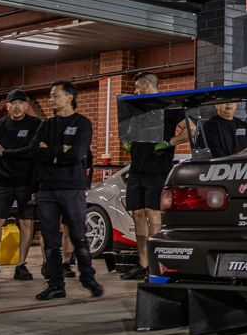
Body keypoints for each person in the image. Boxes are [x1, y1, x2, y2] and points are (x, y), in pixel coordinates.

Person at [29, 81, 103, 300]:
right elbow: (34, 151)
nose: (51, 99)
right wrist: (61, 150)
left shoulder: (82, 124)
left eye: (55, 95)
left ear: (69, 97)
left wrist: (50, 153)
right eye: (51, 96)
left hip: (72, 188)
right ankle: (55, 285)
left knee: (78, 236)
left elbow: (77, 154)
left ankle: (88, 277)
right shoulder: (46, 126)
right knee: (50, 241)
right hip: (47, 190)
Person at [120, 73, 190, 281]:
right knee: (138, 214)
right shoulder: (138, 110)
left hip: (157, 169)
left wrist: (168, 143)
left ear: (148, 85)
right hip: (136, 169)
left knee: (153, 214)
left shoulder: (169, 107)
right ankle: (142, 264)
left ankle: (154, 264)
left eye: (137, 87)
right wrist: (127, 141)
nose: (135, 91)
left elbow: (191, 130)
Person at [0, 89, 41, 281]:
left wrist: (5, 152)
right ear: (7, 106)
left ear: (26, 106)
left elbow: (32, 151)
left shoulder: (35, 124)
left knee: (27, 222)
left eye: (20, 103)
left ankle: (21, 265)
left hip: (27, 182)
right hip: (4, 181)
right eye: (13, 103)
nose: (17, 106)